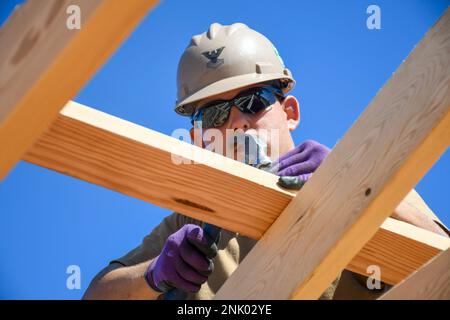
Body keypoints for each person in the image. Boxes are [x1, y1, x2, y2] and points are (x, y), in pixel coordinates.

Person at [83, 23, 449, 300]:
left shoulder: (371, 189)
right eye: (215, 115)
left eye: (254, 101)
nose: (238, 122)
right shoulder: (192, 224)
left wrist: (358, 181)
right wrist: (152, 275)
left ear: (289, 112)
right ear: (200, 139)